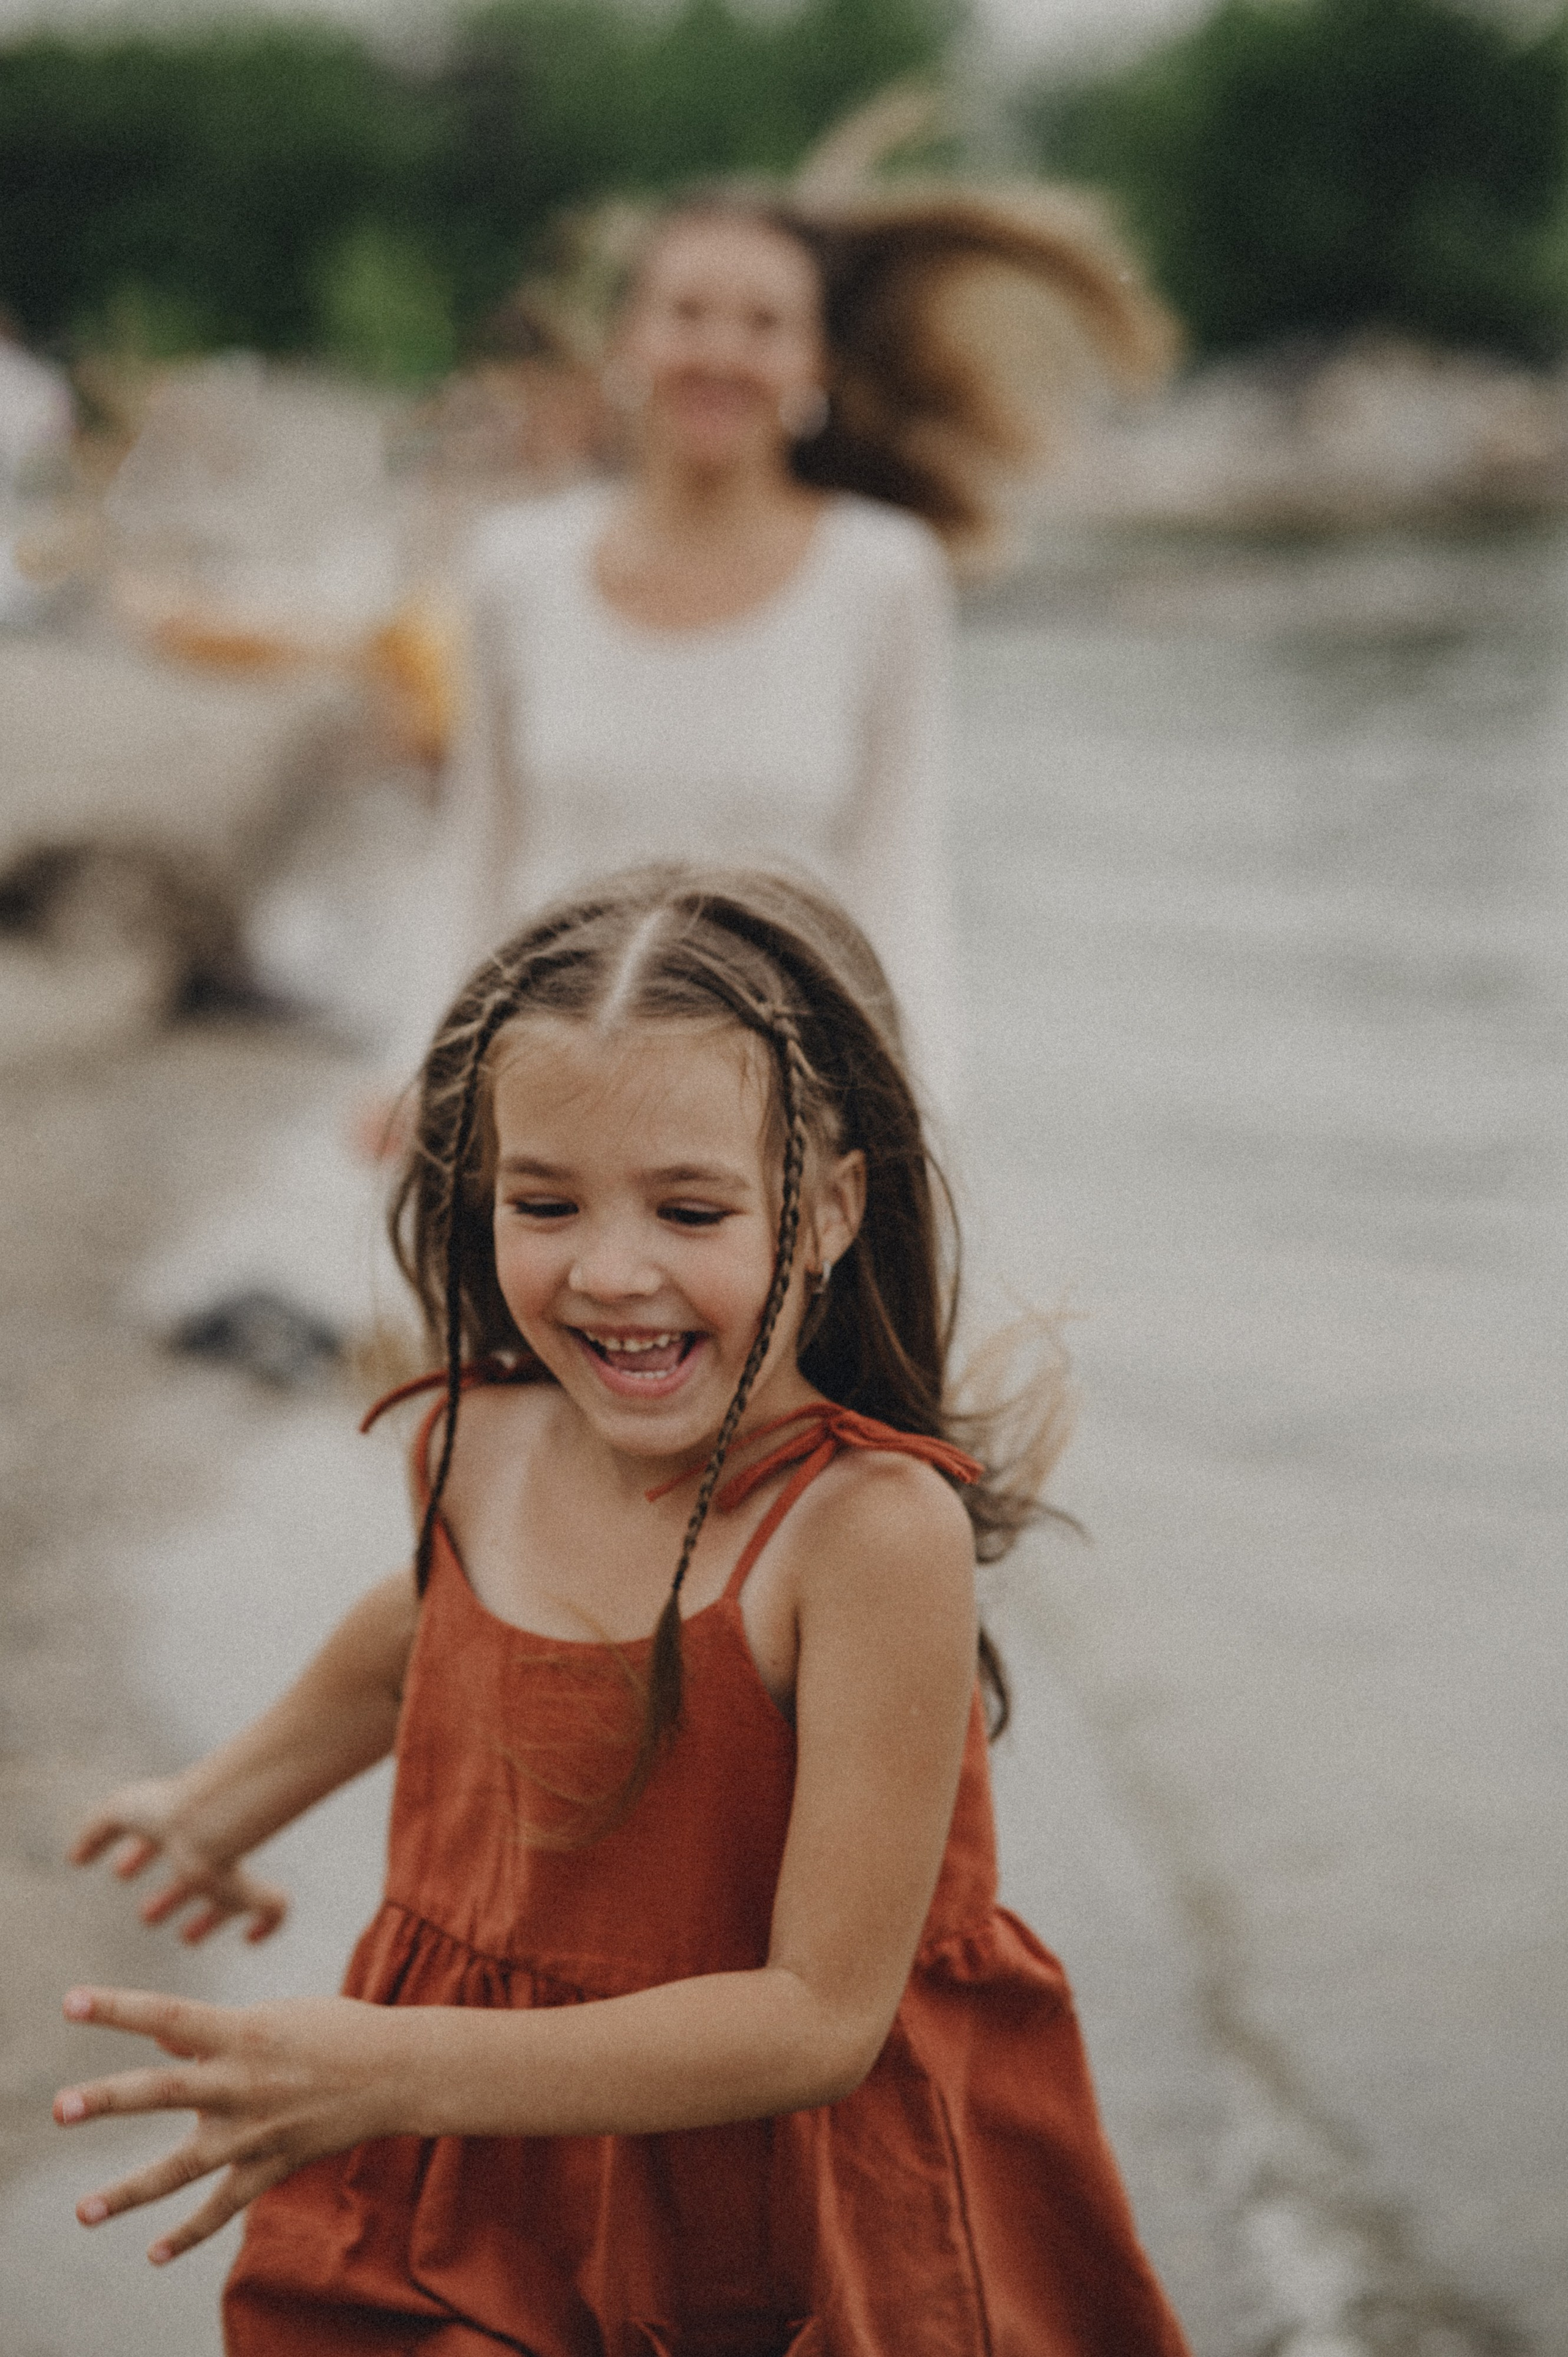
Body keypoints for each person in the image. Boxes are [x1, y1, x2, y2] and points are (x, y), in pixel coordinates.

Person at [59, 864, 1191, 2356]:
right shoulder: (469, 1440)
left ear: (829, 1206)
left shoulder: (862, 1536)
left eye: (690, 1205)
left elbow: (815, 2022)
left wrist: (394, 2068)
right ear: (480, 1193)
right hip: (488, 2166)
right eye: (546, 1201)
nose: (610, 1269)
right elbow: (422, 1635)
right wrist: (226, 1797)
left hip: (782, 2192)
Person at [394, 179, 1173, 1118]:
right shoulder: (516, 564)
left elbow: (900, 873)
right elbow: (477, 845)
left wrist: (913, 1115)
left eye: (763, 324)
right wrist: (417, 1071)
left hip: (774, 1114)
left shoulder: (886, 575)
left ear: (818, 364)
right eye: (687, 313)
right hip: (539, 1096)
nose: (721, 351)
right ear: (626, 344)